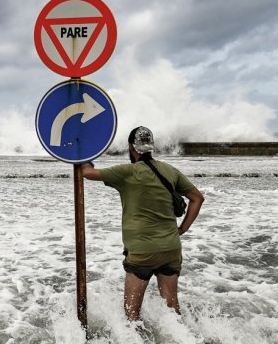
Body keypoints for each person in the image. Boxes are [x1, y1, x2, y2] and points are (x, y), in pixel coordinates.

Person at [79, 126, 204, 321]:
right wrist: (182, 229)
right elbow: (197, 198)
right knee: (172, 310)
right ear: (150, 147)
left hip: (142, 252)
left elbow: (87, 172)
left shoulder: (128, 172)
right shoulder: (169, 170)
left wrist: (82, 153)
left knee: (132, 313)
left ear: (132, 147)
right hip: (170, 249)